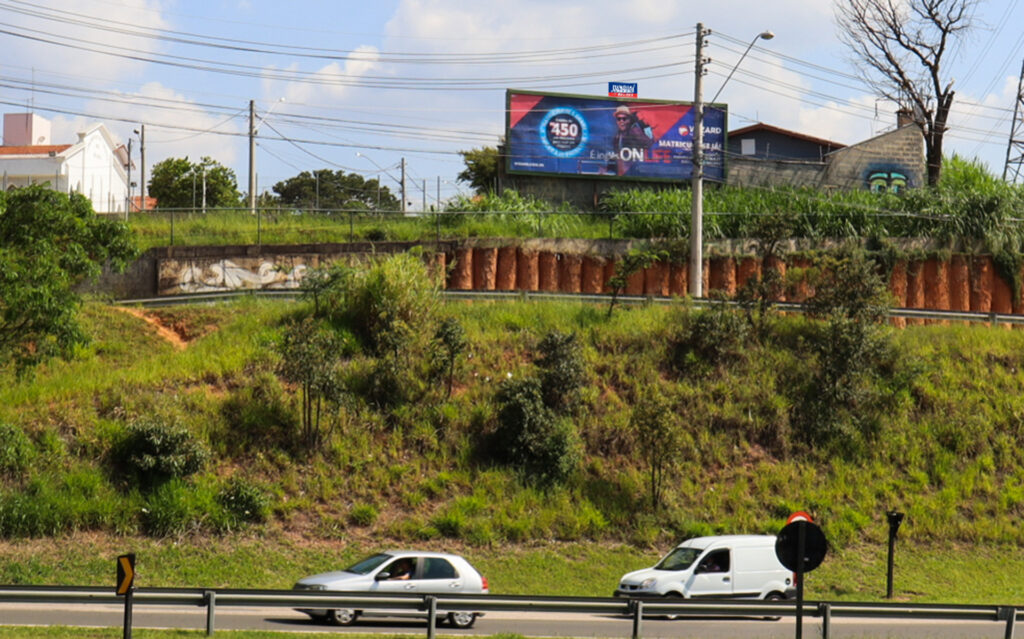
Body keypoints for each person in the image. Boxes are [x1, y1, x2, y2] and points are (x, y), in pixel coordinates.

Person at [610, 105, 654, 175]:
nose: (621, 121)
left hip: (635, 171)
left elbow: (650, 145)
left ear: (629, 120)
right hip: (623, 172)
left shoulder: (635, 131)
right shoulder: (618, 135)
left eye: (624, 119)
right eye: (619, 119)